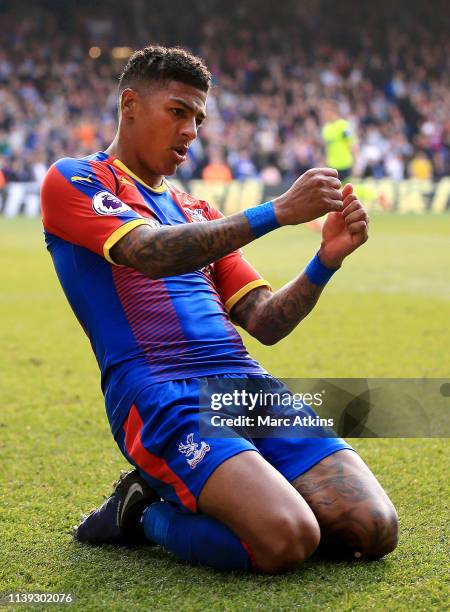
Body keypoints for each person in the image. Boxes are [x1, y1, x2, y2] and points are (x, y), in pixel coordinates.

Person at [40, 45, 398, 574]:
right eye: (178, 112)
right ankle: (141, 513)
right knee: (286, 540)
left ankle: (226, 496)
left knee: (373, 529)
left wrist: (325, 261)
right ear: (130, 104)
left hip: (244, 385)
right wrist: (275, 211)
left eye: (198, 119)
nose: (191, 131)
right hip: (161, 392)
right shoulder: (76, 179)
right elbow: (148, 253)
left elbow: (266, 321)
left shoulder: (197, 210)